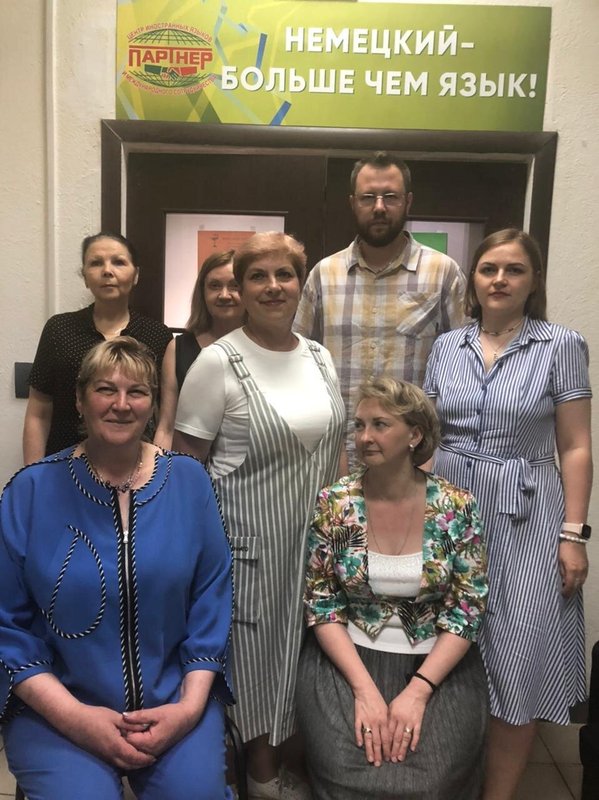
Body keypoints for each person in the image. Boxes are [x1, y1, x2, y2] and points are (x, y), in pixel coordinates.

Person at [0, 336, 234, 799]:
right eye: (106, 389)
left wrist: (188, 709)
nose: (121, 405)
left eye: (137, 392)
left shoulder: (189, 481)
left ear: (153, 403)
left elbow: (212, 600)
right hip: (58, 706)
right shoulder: (30, 491)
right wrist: (74, 718)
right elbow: (7, 624)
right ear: (79, 400)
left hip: (173, 700)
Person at [174, 231, 345, 800]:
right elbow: (186, 471)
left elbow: (336, 454)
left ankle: (292, 767)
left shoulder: (318, 356)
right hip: (247, 551)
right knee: (255, 668)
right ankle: (260, 778)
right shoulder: (218, 363)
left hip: (316, 547)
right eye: (258, 276)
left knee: (306, 661)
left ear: (300, 283)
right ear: (241, 289)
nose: (273, 286)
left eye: (284, 274)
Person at [423, 229, 593, 800]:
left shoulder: (561, 345)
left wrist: (574, 534)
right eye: (489, 268)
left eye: (514, 269)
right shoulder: (448, 347)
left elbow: (575, 446)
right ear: (472, 278)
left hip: (527, 514)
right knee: (444, 645)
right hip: (449, 508)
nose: (499, 279)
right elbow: (428, 436)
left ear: (534, 280)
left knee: (515, 656)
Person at [297, 377, 488, 800]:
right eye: (359, 425)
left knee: (432, 780)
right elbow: (323, 605)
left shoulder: (455, 505)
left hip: (434, 663)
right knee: (348, 773)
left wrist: (418, 691)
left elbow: (467, 608)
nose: (364, 437)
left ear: (414, 435)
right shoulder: (336, 503)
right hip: (349, 658)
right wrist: (364, 690)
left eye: (380, 425)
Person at [293, 151, 466, 466]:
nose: (379, 207)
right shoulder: (324, 275)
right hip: (335, 457)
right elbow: (297, 362)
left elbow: (464, 368)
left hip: (412, 462)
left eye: (390, 197)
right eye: (368, 197)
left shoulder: (442, 273)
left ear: (408, 202)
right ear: (352, 203)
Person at [23, 232, 172, 463]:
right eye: (96, 263)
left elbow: (164, 418)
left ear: (135, 275)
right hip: (63, 465)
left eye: (118, 262)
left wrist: (158, 472)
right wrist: (33, 474)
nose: (107, 271)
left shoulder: (157, 335)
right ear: (84, 276)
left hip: (134, 467)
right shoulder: (59, 329)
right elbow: (38, 413)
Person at [154, 249, 244, 450]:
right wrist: (162, 468)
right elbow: (167, 426)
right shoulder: (178, 348)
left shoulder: (263, 346)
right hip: (190, 461)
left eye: (234, 286)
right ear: (202, 292)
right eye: (214, 286)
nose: (224, 295)